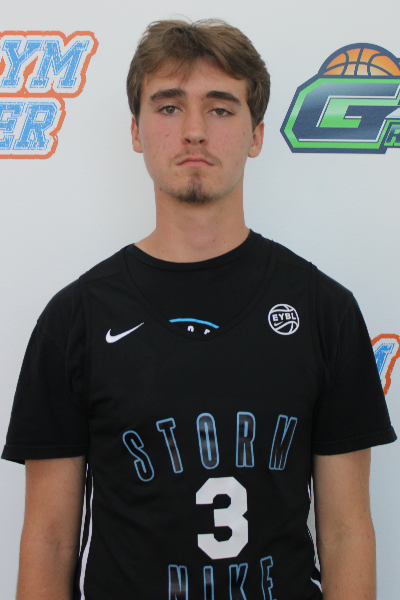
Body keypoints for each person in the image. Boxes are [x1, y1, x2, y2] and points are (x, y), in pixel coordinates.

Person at [2, 19, 396, 600]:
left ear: (256, 135)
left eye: (220, 108)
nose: (193, 131)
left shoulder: (323, 311)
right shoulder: (75, 319)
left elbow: (345, 533)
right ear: (135, 131)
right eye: (168, 107)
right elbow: (49, 539)